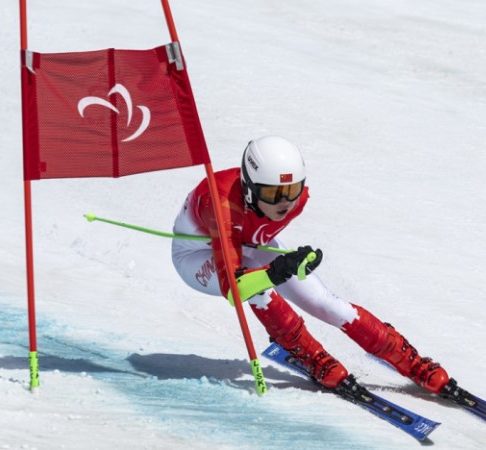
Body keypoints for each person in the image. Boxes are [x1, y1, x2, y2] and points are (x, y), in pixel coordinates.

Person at [171, 135, 451, 394]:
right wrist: (272, 273)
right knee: (258, 289)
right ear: (249, 189)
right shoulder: (220, 206)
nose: (284, 202)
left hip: (245, 245)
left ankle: (406, 358)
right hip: (198, 256)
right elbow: (234, 289)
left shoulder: (297, 200)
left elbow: (256, 236)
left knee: (325, 302)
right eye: (272, 194)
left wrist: (294, 263)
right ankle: (310, 355)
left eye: (291, 189)